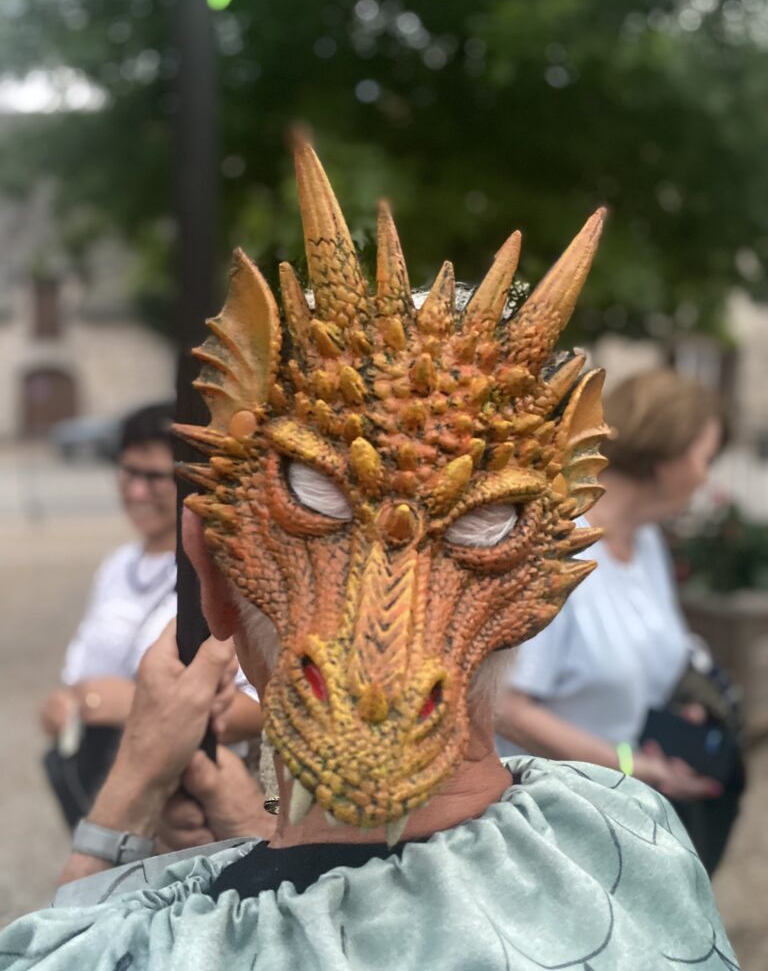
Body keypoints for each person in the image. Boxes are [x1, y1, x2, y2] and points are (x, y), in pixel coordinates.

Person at [0, 141, 738, 969]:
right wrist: (253, 842)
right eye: (313, 490)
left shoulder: (127, 952)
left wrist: (124, 801)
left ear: (206, 573)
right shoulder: (639, 838)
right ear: (541, 600)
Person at [495, 369, 745, 874]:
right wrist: (630, 765)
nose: (706, 478)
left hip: (617, 814)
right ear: (665, 454)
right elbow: (505, 708)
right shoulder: (558, 545)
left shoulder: (646, 543)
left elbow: (654, 656)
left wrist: (679, 717)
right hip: (548, 830)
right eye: (704, 458)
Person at [39, 402, 264, 826]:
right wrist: (65, 705)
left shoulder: (228, 574)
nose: (138, 491)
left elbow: (261, 709)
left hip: (195, 805)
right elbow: (83, 678)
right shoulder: (117, 566)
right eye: (129, 472)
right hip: (108, 786)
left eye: (156, 477)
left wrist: (134, 706)